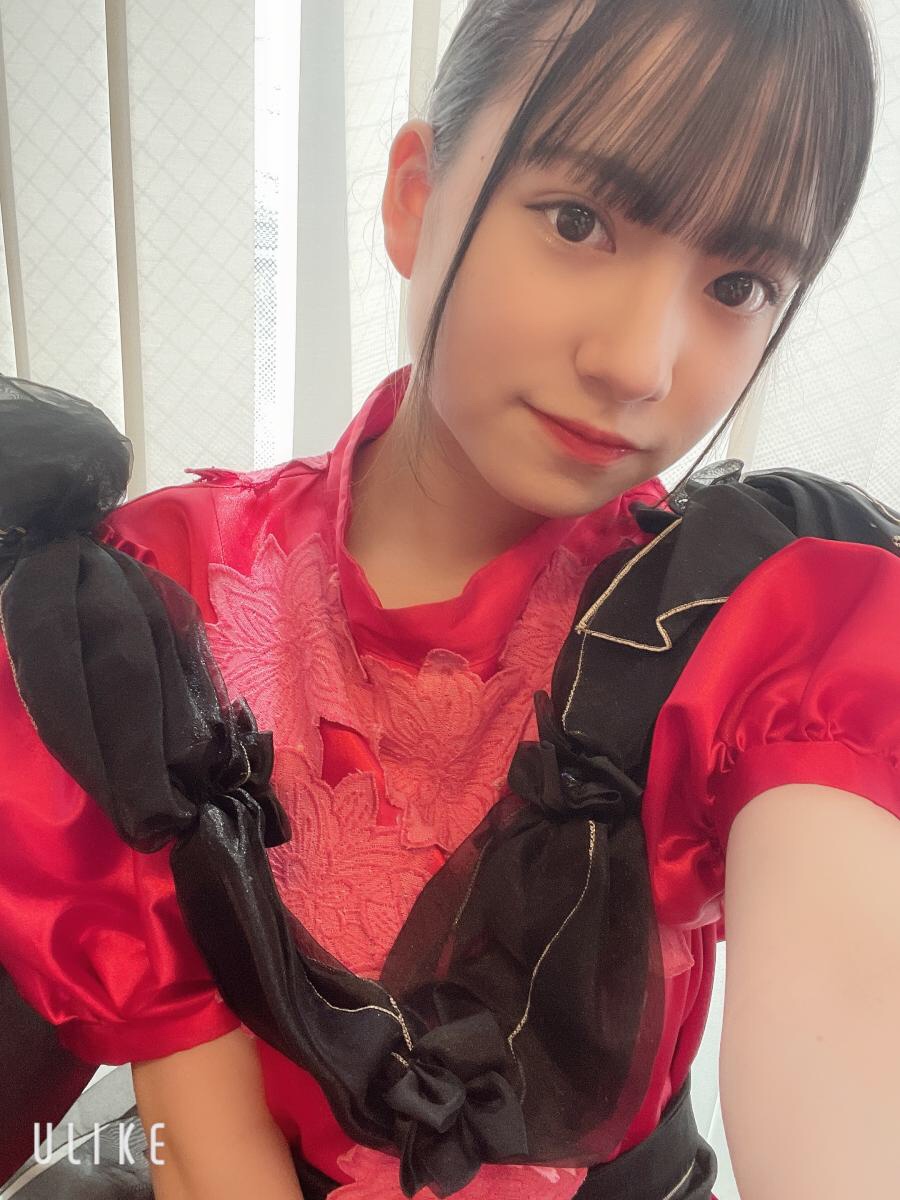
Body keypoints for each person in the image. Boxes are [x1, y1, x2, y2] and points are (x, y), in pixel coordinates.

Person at [0, 1, 898, 1198]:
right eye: (577, 221)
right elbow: (210, 1145)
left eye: (737, 284)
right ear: (415, 199)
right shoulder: (150, 604)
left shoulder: (753, 631)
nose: (639, 363)